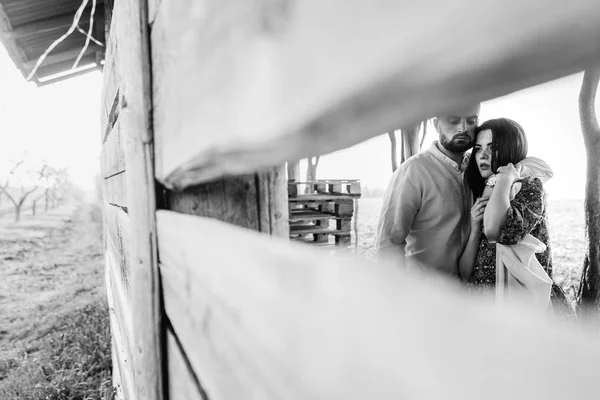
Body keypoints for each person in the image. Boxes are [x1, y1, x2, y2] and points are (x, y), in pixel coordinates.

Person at [375, 104, 553, 278]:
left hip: (470, 291)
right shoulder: (413, 171)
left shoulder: (481, 170)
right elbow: (389, 244)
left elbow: (538, 167)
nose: (463, 128)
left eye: (471, 120)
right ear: (436, 124)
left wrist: (506, 174)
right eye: (453, 120)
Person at [458, 118, 575, 316]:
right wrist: (474, 230)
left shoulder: (528, 188)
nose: (482, 155)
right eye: (478, 149)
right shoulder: (481, 194)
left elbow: (496, 230)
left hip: (524, 310)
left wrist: (503, 178)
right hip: (482, 309)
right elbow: (464, 275)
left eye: (492, 147)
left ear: (511, 148)